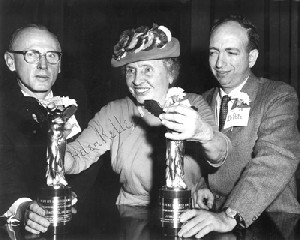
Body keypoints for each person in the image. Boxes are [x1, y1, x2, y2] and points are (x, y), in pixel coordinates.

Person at [23, 24, 231, 234]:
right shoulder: (115, 112)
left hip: (187, 213)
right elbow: (75, 159)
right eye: (131, 70)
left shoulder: (192, 104)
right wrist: (55, 140)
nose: (137, 80)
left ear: (170, 73)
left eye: (147, 69)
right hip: (131, 214)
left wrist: (203, 132)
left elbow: (220, 154)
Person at [178, 15, 300, 238]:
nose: (219, 63)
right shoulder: (201, 101)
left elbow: (275, 159)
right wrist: (201, 185)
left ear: (252, 57)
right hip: (216, 220)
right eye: (214, 52)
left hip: (274, 222)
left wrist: (230, 215)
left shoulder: (277, 96)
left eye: (231, 52)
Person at [0, 24, 97, 234]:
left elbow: (94, 152)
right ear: (10, 61)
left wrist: (73, 194)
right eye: (32, 54)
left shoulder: (76, 93)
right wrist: (24, 208)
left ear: (60, 64)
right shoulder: (2, 107)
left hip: (80, 220)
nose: (43, 65)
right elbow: (4, 173)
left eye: (51, 55)